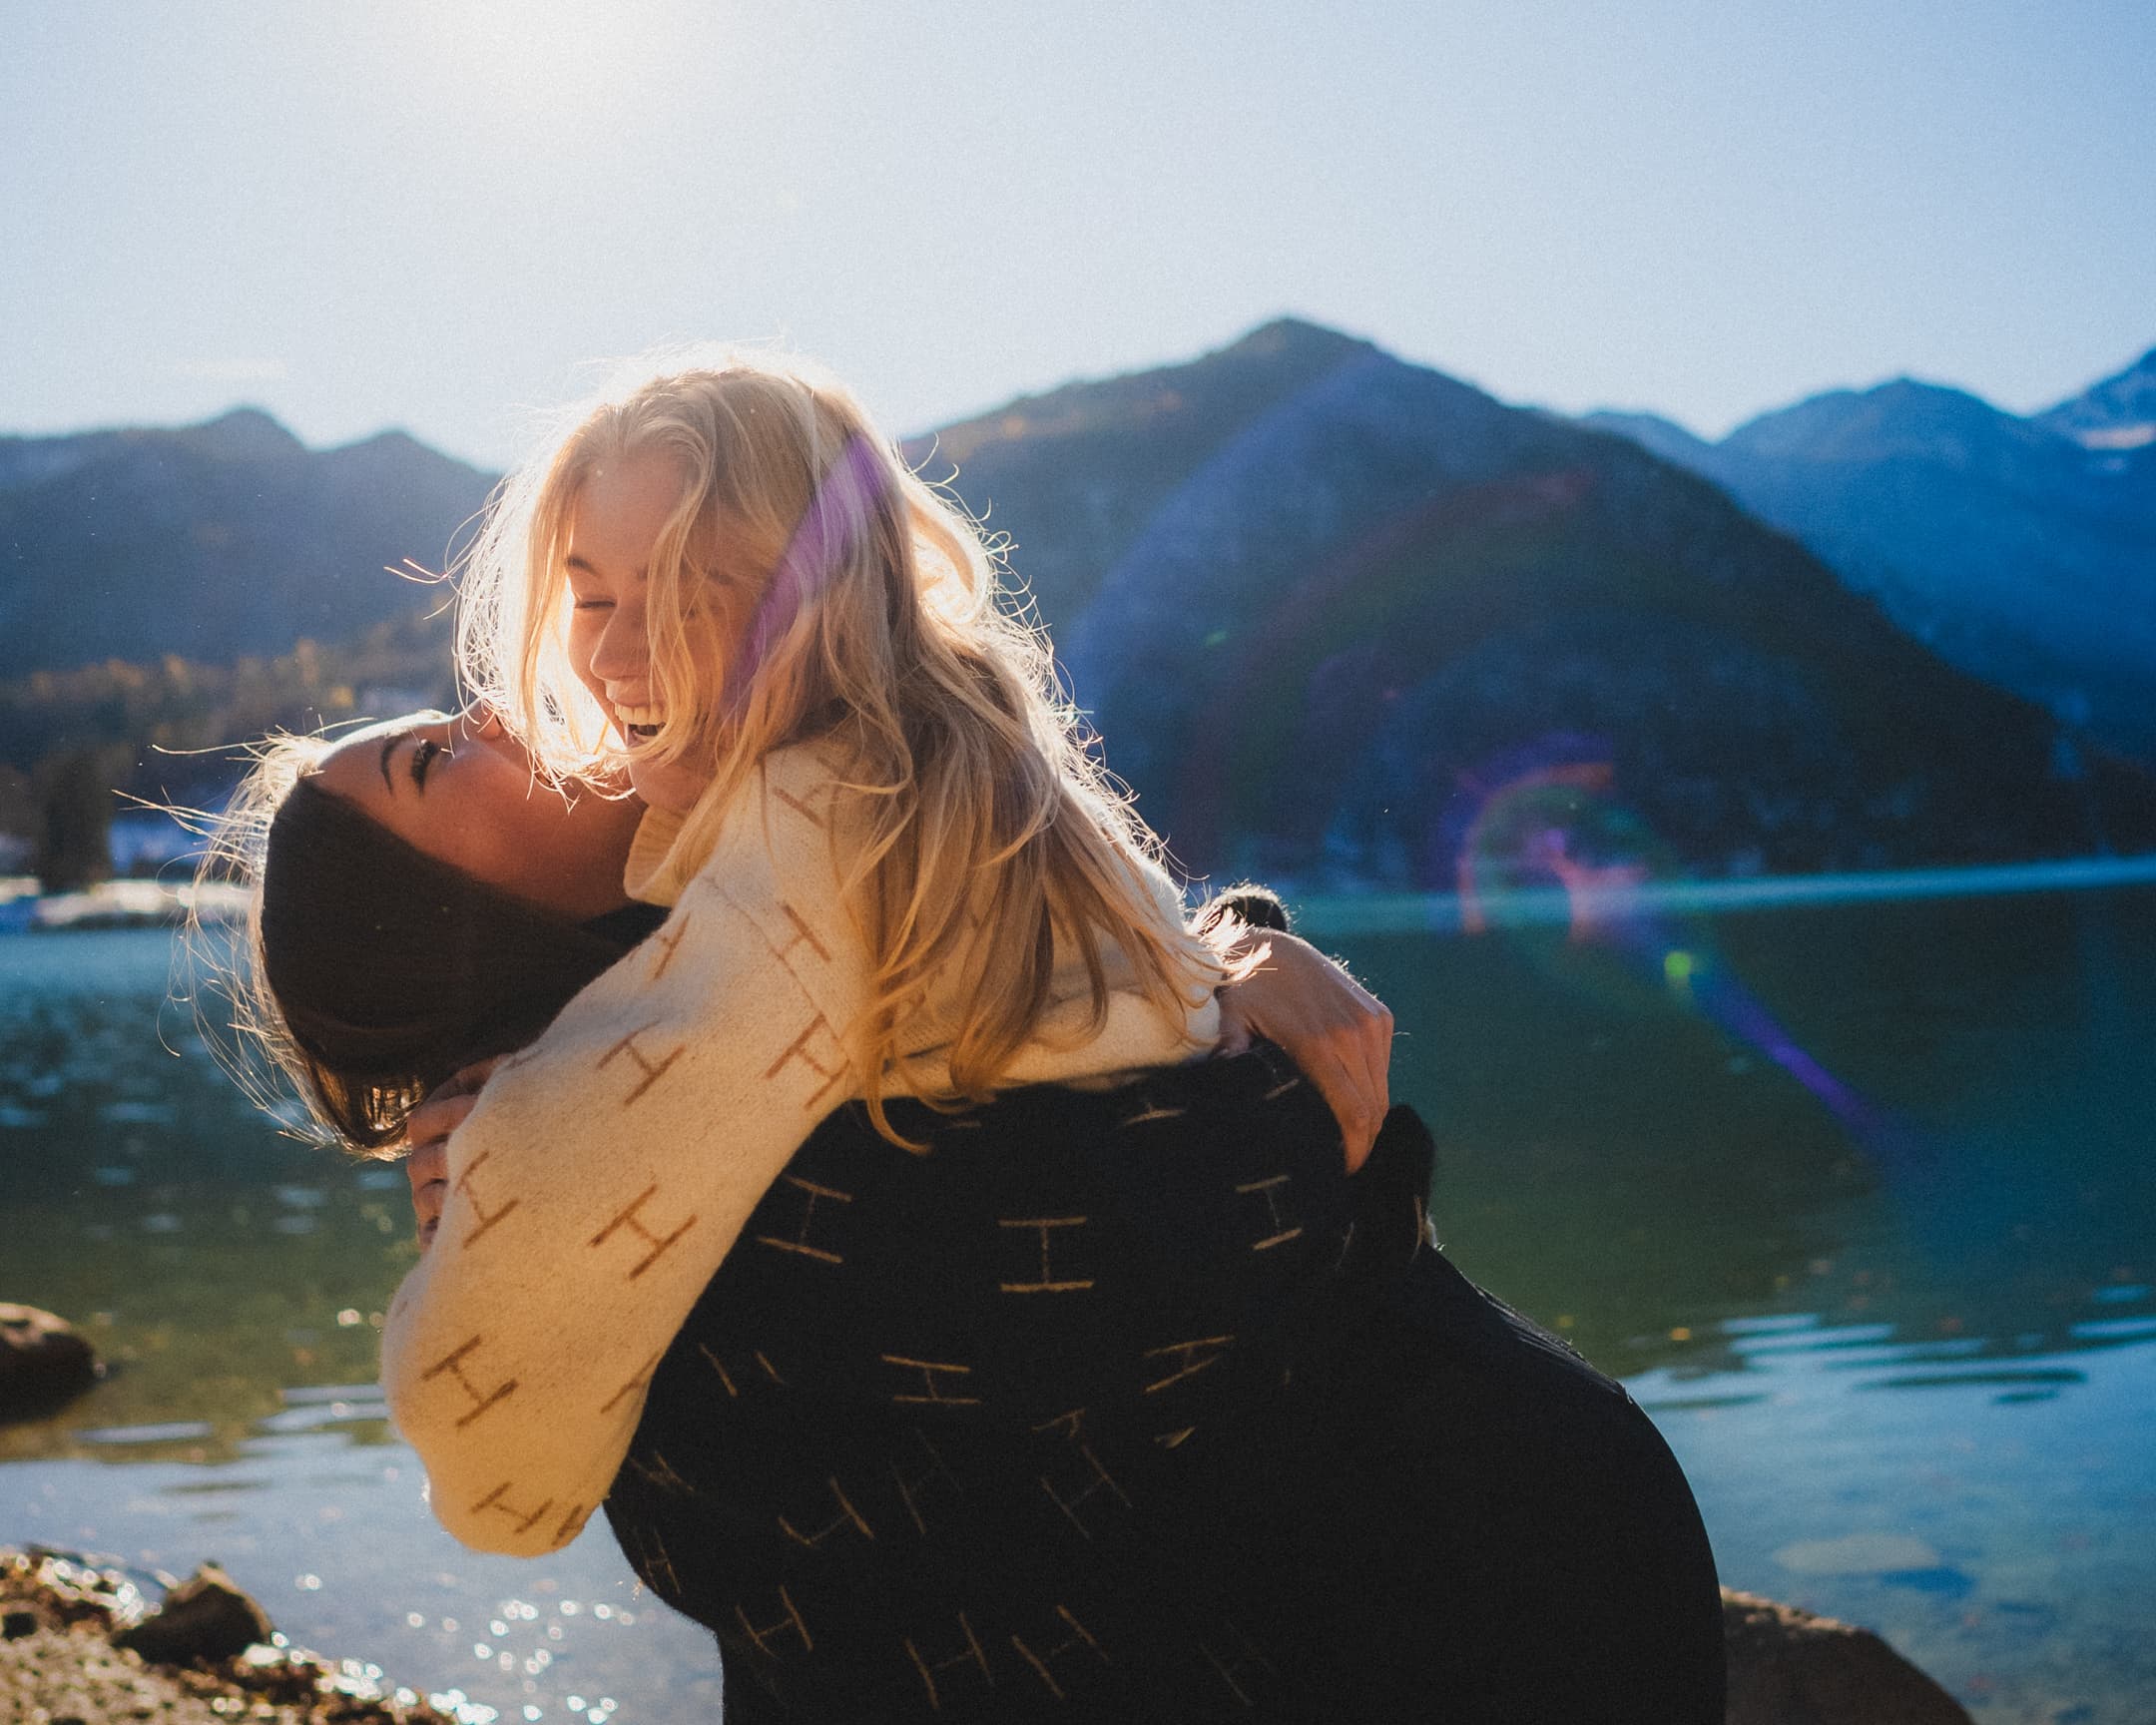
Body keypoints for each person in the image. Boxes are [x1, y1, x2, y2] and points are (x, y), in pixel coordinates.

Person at [206, 340, 1725, 1716]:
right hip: (1456, 1578)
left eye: (678, 590)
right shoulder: (678, 1101)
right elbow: (1210, 1214)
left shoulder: (779, 899)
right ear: (445, 924)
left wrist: (1233, 955)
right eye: (430, 764)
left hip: (1501, 1550)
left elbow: (1108, 1007)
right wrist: (1272, 1053)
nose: (507, 704)